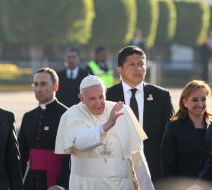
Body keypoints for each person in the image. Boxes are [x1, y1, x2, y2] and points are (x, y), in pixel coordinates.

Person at [55, 75, 155, 190]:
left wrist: (147, 187)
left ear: (105, 92)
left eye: (101, 96)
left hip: (122, 186)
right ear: (81, 97)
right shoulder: (72, 114)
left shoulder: (123, 111)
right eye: (92, 99)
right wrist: (106, 126)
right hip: (87, 186)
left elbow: (138, 156)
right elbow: (80, 143)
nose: (98, 103)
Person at [106, 45, 174, 182]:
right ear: (120, 69)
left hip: (154, 170)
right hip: (117, 170)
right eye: (132, 64)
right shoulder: (107, 96)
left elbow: (171, 135)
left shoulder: (162, 96)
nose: (138, 68)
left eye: (141, 64)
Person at [18, 67, 70, 190]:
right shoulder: (28, 116)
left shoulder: (67, 115)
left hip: (56, 183)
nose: (39, 89)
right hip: (31, 182)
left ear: (55, 87)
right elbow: (21, 155)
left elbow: (71, 155)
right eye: (35, 85)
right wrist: (15, 182)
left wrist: (61, 185)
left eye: (43, 84)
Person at [161, 80, 212, 184]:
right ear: (184, 102)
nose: (200, 104)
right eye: (195, 100)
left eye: (203, 99)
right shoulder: (173, 127)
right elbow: (167, 166)